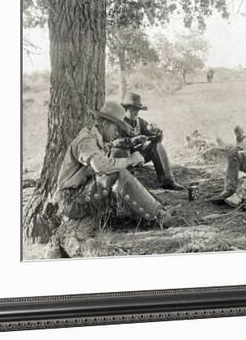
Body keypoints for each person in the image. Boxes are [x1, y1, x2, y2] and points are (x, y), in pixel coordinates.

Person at [45, 101, 179, 257]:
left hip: (80, 194)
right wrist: (130, 160)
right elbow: (100, 166)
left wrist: (130, 150)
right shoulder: (86, 140)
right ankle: (159, 217)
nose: (117, 132)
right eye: (116, 128)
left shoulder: (97, 139)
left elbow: (107, 157)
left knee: (119, 169)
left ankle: (160, 208)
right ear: (103, 124)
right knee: (118, 173)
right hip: (71, 201)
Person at [111, 92, 184, 191]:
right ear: (125, 109)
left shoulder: (140, 122)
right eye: (133, 109)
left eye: (137, 109)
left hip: (138, 156)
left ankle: (167, 180)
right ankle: (126, 184)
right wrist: (133, 140)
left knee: (157, 146)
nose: (136, 112)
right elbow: (113, 142)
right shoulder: (117, 122)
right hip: (122, 157)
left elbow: (151, 136)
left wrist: (158, 135)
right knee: (119, 151)